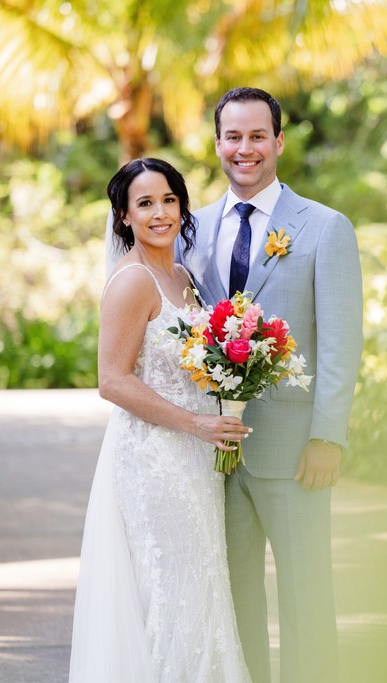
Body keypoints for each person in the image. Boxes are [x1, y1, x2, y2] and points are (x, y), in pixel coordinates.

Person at [191, 87, 364, 683]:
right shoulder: (193, 230)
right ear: (217, 144)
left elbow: (341, 343)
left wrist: (328, 437)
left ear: (279, 141)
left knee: (305, 598)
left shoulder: (324, 228)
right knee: (233, 604)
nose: (245, 149)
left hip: (294, 451)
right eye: (233, 137)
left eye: (257, 135)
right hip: (213, 454)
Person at [71, 158, 253, 682]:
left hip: (197, 459)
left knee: (202, 584)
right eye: (144, 204)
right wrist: (195, 424)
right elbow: (112, 380)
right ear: (124, 217)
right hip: (155, 461)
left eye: (168, 200)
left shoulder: (182, 276)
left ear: (182, 206)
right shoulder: (133, 281)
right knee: (173, 589)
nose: (159, 213)